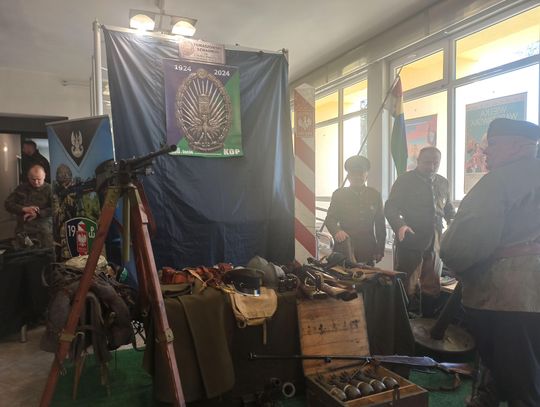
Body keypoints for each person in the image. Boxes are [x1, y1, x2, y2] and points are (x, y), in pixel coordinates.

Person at [440, 118, 540, 407]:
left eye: (493, 144)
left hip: (508, 297)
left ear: (516, 146)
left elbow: (464, 243)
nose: (485, 151)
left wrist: (453, 259)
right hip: (528, 297)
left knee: (519, 382)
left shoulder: (499, 181)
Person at [384, 147, 455, 315]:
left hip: (435, 238)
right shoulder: (404, 181)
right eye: (427, 162)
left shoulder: (443, 182)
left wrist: (452, 220)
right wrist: (400, 225)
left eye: (435, 163)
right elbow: (390, 208)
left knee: (432, 280)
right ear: (418, 161)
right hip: (411, 236)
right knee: (407, 281)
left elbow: (447, 207)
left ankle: (428, 318)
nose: (431, 167)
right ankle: (404, 321)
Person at [325, 155, 386, 265]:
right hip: (344, 248)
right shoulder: (339, 194)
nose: (357, 177)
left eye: (361, 174)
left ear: (366, 175)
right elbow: (330, 219)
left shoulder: (375, 195)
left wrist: (380, 249)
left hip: (367, 250)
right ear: (348, 176)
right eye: (353, 174)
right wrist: (337, 231)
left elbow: (380, 224)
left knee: (369, 276)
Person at [5, 164, 53, 248]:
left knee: (45, 254)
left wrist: (38, 213)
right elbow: (8, 204)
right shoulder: (21, 188)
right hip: (23, 231)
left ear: (44, 176)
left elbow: (56, 208)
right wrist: (23, 209)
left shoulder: (50, 189)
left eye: (39, 179)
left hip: (43, 233)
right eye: (33, 179)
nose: (36, 182)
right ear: (28, 177)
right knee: (23, 255)